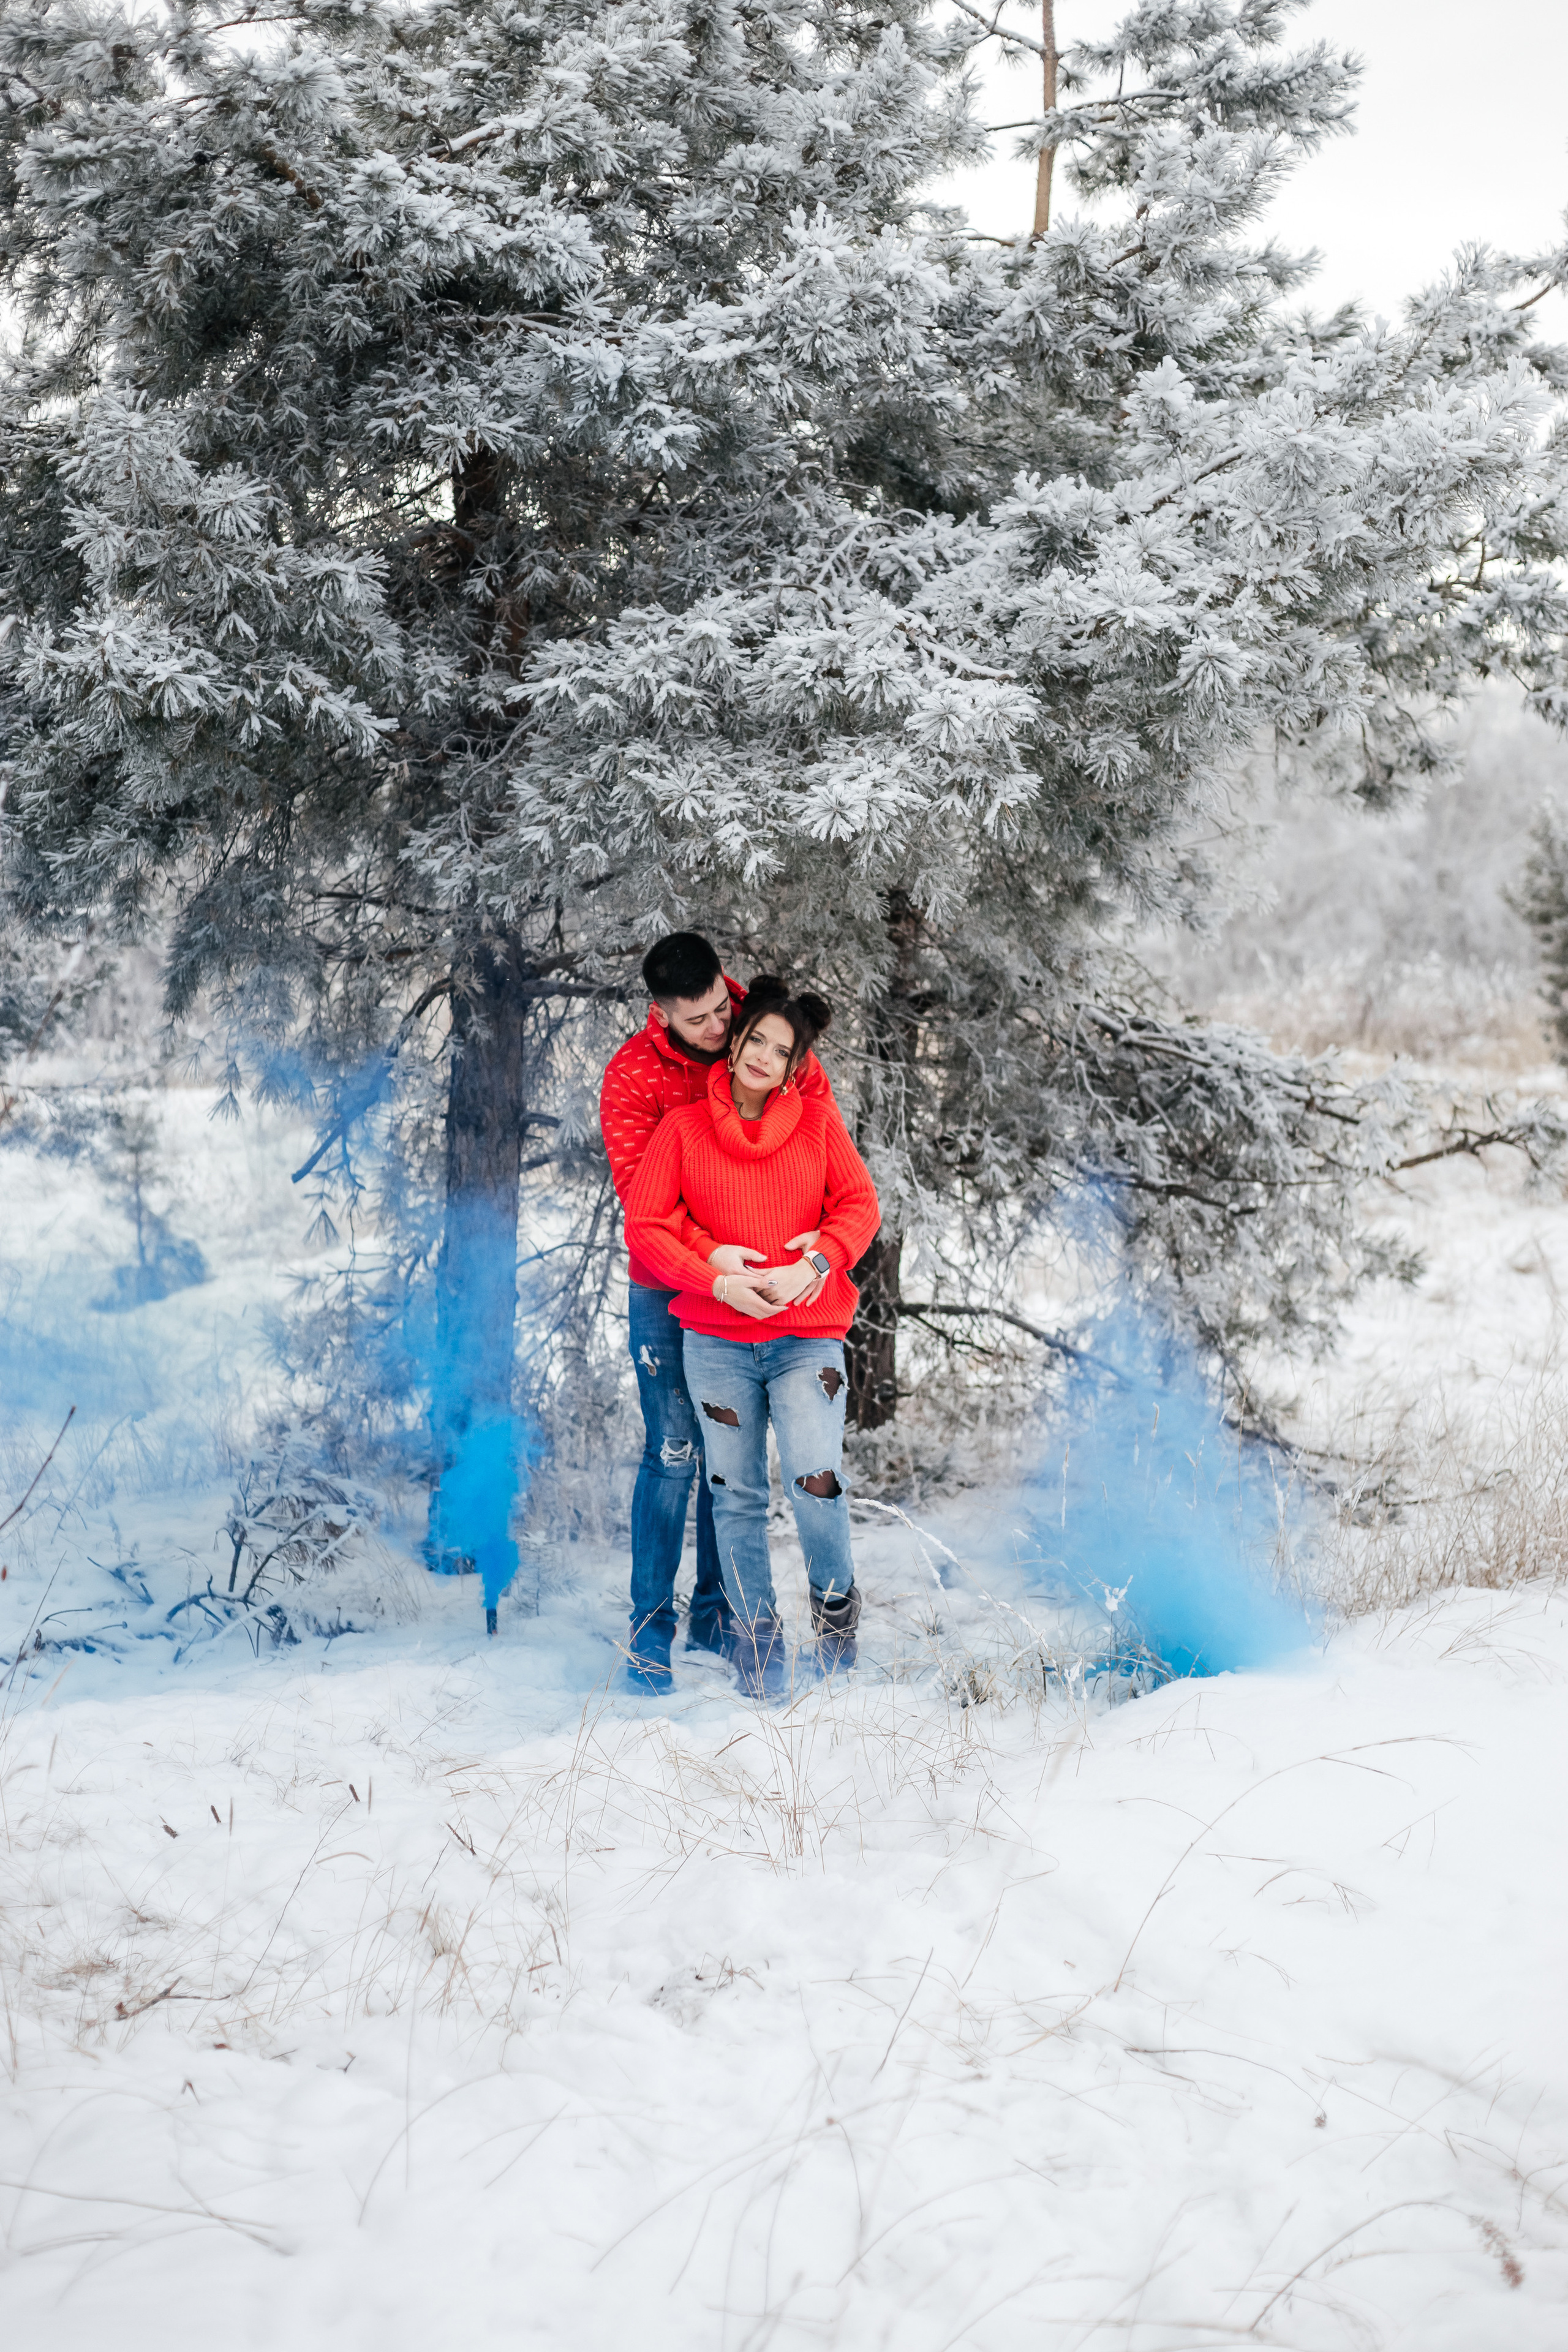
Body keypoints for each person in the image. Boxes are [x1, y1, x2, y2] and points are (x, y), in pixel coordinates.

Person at [624, 979, 881, 1698]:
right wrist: (713, 1278)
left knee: (813, 1478)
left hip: (807, 1340)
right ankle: (755, 1640)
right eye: (756, 1040)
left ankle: (835, 1613)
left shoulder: (817, 1124)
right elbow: (645, 1226)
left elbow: (861, 1205)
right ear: (734, 1043)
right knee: (732, 1494)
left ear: (797, 1064)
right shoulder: (683, 1130)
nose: (765, 1056)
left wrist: (818, 1260)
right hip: (716, 1343)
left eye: (782, 1050)